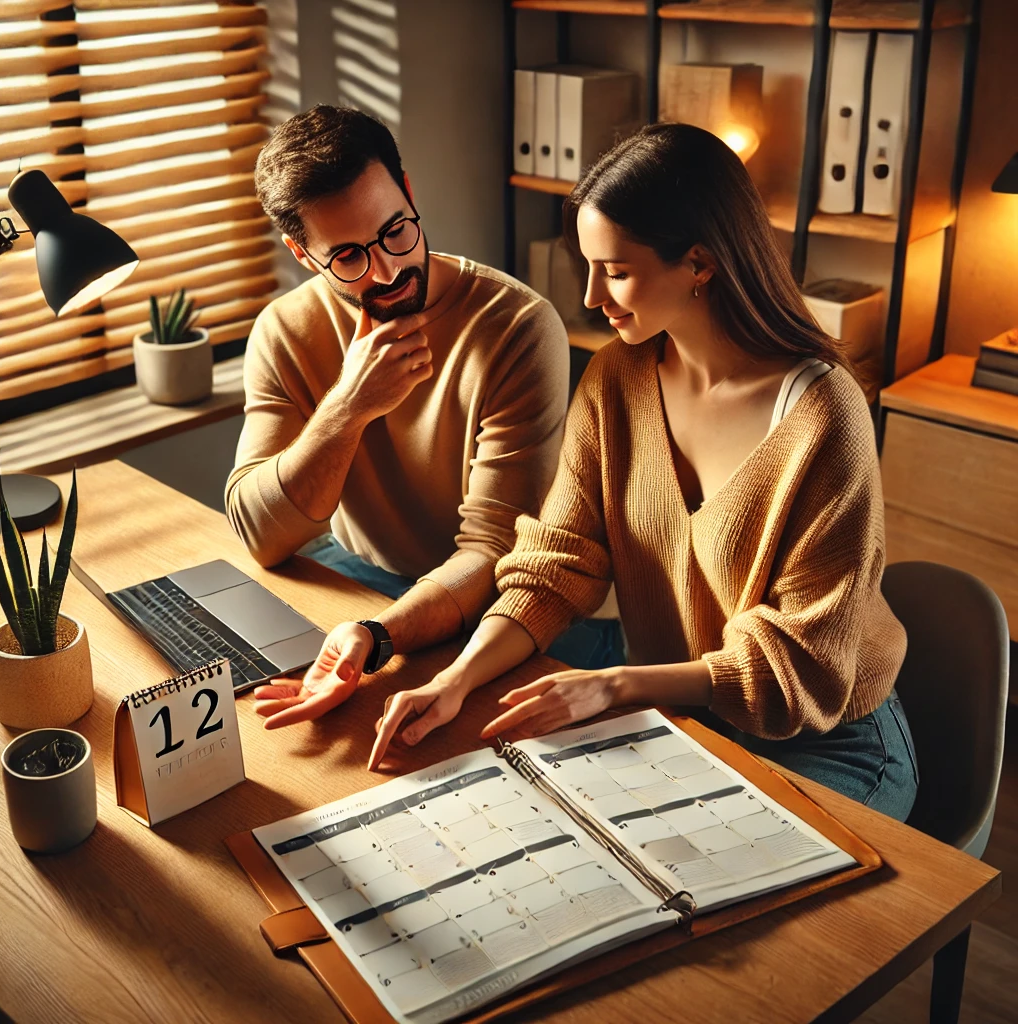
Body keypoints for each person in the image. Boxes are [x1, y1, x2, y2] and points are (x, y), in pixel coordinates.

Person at [367, 123, 919, 822]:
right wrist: (454, 681)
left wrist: (614, 688)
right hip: (682, 709)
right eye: (588, 266)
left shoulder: (823, 414)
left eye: (617, 270)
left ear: (700, 264)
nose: (592, 296)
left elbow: (801, 667)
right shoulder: (615, 378)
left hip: (827, 739)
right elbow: (554, 566)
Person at [225, 105, 569, 727]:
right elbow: (260, 535)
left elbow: (494, 553)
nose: (387, 271)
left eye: (396, 232)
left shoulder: (520, 327)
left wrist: (375, 634)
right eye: (349, 257)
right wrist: (348, 407)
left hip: (492, 602)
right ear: (302, 254)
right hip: (357, 575)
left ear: (408, 192)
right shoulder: (283, 331)